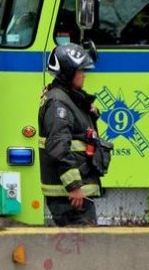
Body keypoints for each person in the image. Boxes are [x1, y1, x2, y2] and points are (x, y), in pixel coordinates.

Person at [39, 43, 112, 226]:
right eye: (80, 70)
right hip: (70, 198)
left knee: (82, 250)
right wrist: (74, 187)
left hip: (75, 195)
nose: (84, 74)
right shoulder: (59, 104)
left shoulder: (68, 99)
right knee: (82, 250)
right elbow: (59, 147)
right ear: (68, 73)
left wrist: (89, 108)